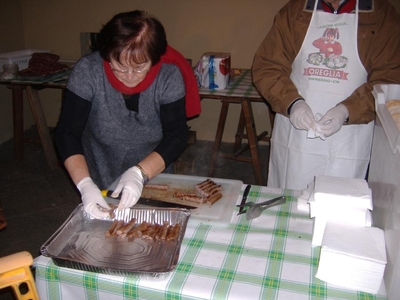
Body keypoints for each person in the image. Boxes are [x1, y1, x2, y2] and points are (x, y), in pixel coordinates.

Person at [55, 10, 201, 218]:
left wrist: (139, 173)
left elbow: (176, 135)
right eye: (120, 67)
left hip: (154, 173)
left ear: (154, 58)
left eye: (140, 67)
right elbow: (66, 132)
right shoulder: (88, 70)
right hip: (99, 171)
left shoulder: (168, 76)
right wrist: (85, 185)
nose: (130, 76)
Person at [252, 0, 400, 190]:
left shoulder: (381, 14)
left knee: (340, 205)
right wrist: (292, 104)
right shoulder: (295, 11)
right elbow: (267, 67)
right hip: (296, 136)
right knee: (290, 199)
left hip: (349, 137)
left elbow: (390, 78)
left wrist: (346, 110)